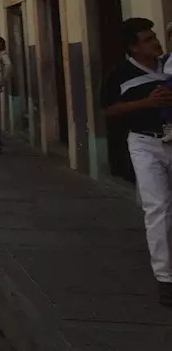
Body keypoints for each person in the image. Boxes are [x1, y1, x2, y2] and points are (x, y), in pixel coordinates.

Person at [102, 18, 172, 306]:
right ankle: (166, 278)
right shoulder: (119, 73)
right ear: (133, 47)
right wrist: (145, 104)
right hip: (144, 143)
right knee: (157, 208)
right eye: (146, 39)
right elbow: (108, 109)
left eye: (154, 37)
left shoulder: (168, 64)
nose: (154, 42)